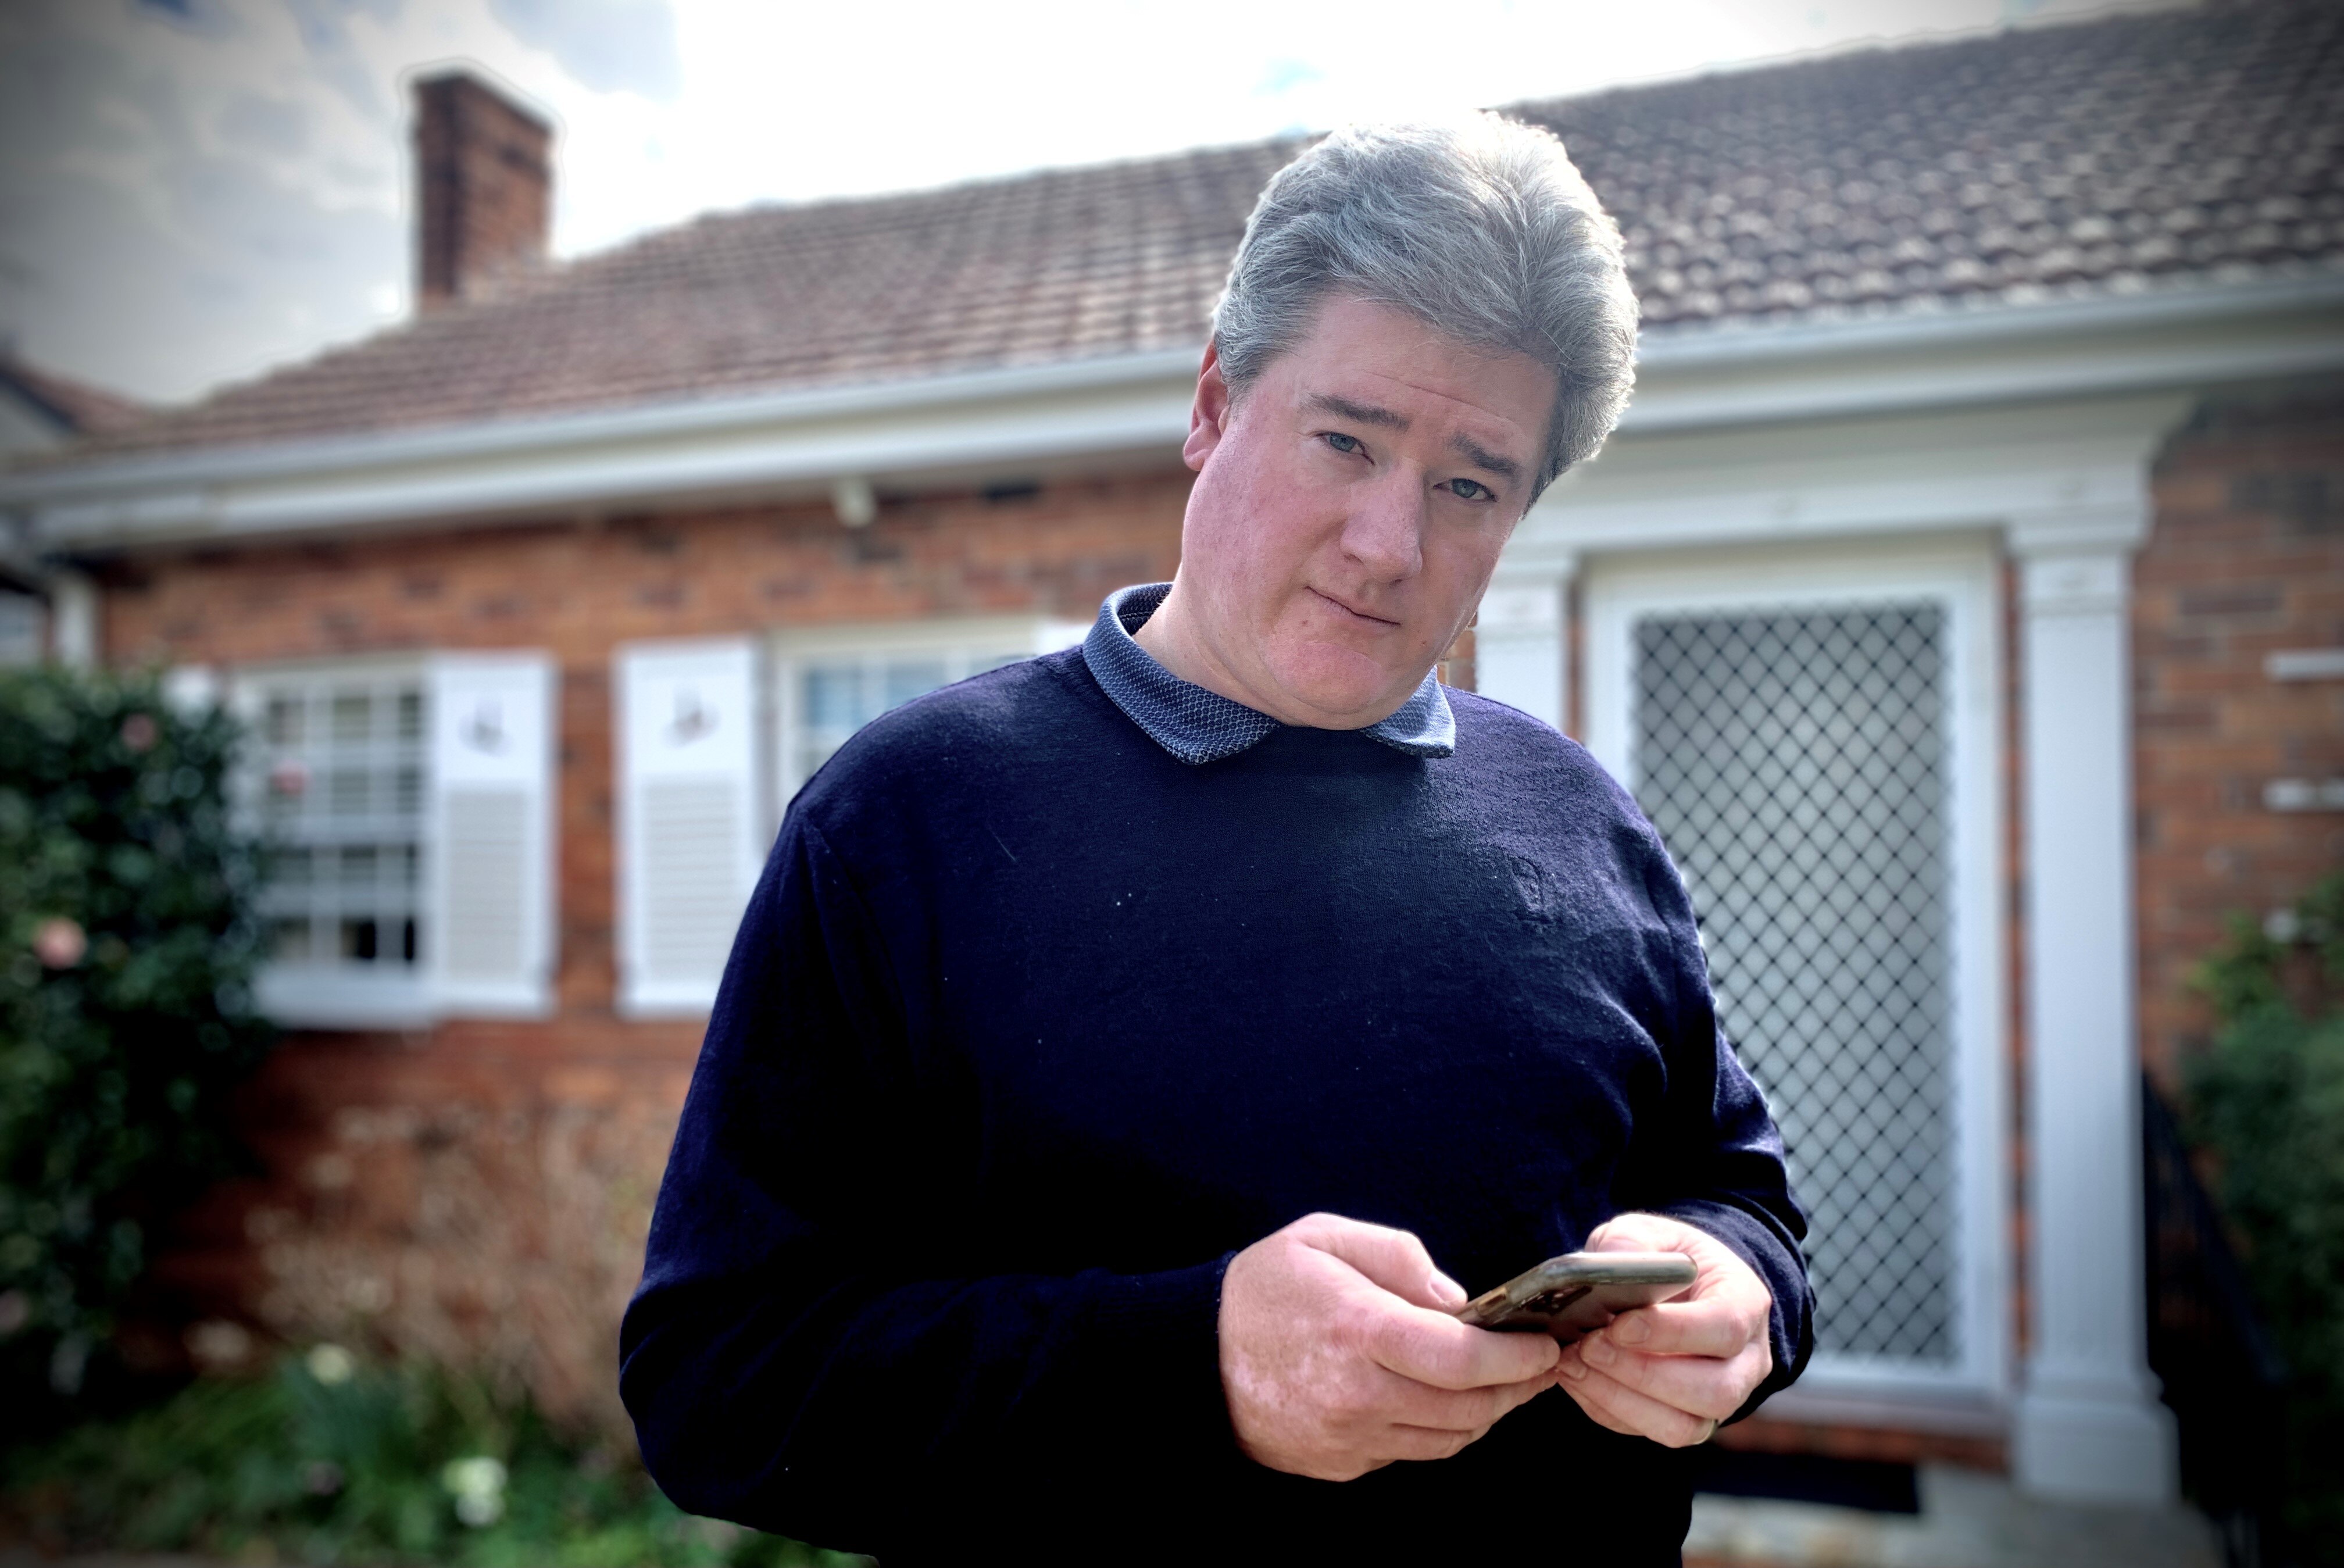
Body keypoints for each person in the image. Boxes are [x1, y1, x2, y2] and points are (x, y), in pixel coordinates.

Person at [620, 113, 1811, 1565]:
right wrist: (1192, 1368)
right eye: (1346, 440)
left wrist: (1734, 1287)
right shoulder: (907, 818)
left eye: (1469, 483)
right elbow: (717, 1379)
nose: (1390, 539)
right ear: (1211, 406)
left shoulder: (1584, 817)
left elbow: (1742, 1194)